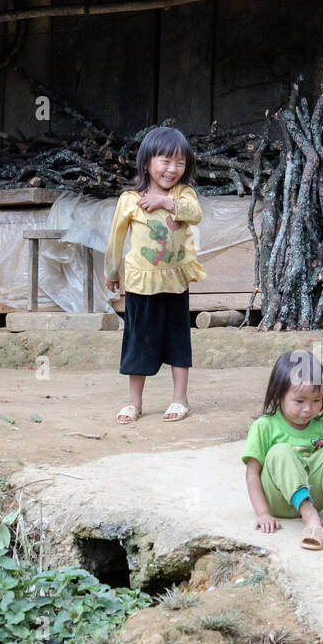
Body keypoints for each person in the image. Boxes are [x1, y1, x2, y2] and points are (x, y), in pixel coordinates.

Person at [105, 126, 206, 424]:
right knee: (138, 341)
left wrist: (164, 202)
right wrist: (112, 270)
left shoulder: (182, 194)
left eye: (180, 163)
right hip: (140, 283)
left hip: (175, 282)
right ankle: (134, 402)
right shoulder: (130, 199)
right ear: (147, 161)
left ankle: (180, 400)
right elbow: (116, 238)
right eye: (165, 161)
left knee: (178, 341)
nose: (172, 169)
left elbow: (195, 213)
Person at [243, 350, 323, 550]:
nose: (308, 409)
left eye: (316, 400)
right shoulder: (264, 426)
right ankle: (310, 517)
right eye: (299, 401)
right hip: (279, 500)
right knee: (280, 451)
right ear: (279, 394)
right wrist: (262, 514)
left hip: (316, 497)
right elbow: (252, 474)